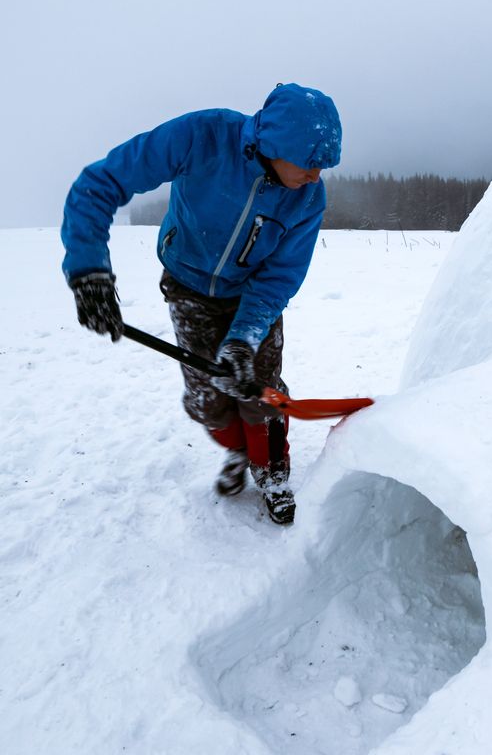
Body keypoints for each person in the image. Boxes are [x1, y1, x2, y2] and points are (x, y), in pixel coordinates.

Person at [60, 83, 342, 525]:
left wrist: (244, 340)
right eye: (311, 163)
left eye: (324, 166)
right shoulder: (203, 136)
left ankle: (270, 469)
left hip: (252, 296)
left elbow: (280, 276)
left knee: (259, 392)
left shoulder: (307, 198)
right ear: (276, 145)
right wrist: (88, 268)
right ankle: (236, 451)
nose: (317, 175)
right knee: (209, 399)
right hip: (188, 286)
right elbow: (101, 182)